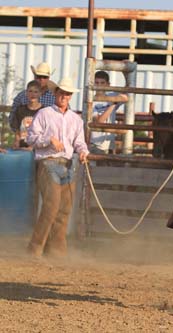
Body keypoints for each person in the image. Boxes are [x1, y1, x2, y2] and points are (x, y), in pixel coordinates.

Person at [26, 77, 89, 258]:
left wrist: (83, 152)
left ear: (70, 97)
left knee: (64, 209)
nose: (64, 96)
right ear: (56, 93)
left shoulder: (76, 120)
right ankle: (35, 248)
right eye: (61, 92)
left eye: (67, 93)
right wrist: (49, 140)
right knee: (52, 205)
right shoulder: (44, 114)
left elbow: (79, 142)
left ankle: (56, 250)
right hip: (48, 162)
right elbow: (30, 138)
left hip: (68, 164)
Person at [9, 62, 56, 132]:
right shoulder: (21, 96)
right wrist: (18, 134)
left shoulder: (55, 98)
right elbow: (13, 117)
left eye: (44, 77)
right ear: (35, 76)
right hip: (24, 137)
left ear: (48, 78)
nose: (41, 79)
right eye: (39, 76)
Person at [90, 70, 128, 154]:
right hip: (96, 143)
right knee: (98, 165)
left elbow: (127, 93)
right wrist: (113, 103)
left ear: (108, 85)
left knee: (109, 165)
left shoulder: (112, 95)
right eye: (96, 83)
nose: (99, 85)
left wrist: (126, 75)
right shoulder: (91, 101)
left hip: (109, 142)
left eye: (102, 83)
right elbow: (99, 121)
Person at [11, 80, 43, 149]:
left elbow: (46, 133)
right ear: (26, 93)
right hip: (22, 147)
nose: (33, 94)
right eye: (30, 91)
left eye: (36, 92)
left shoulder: (44, 111)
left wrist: (33, 146)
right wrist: (17, 141)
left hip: (38, 149)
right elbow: (17, 130)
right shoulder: (20, 110)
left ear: (40, 94)